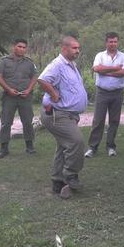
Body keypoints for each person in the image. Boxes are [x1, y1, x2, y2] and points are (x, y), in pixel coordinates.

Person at [38, 36, 88, 199]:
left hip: (69, 114)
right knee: (76, 141)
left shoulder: (71, 65)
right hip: (57, 115)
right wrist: (53, 94)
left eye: (78, 48)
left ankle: (57, 181)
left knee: (63, 146)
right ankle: (70, 174)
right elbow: (43, 80)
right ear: (64, 48)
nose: (77, 51)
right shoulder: (57, 65)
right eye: (74, 48)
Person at [85, 32, 124, 158]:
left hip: (117, 93)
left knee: (114, 120)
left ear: (118, 42)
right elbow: (97, 69)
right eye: (111, 41)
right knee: (98, 120)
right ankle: (92, 147)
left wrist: (107, 71)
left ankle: (111, 146)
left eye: (115, 41)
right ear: (106, 43)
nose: (113, 44)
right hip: (102, 92)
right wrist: (115, 68)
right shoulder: (100, 55)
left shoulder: (123, 56)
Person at [0, 38, 38, 159]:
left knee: (28, 121)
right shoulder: (4, 61)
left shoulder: (29, 62)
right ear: (14, 47)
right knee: (6, 122)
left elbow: (34, 77)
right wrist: (8, 89)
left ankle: (30, 146)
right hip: (9, 97)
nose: (21, 49)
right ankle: (4, 148)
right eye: (19, 46)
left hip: (25, 96)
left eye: (24, 47)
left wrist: (28, 90)